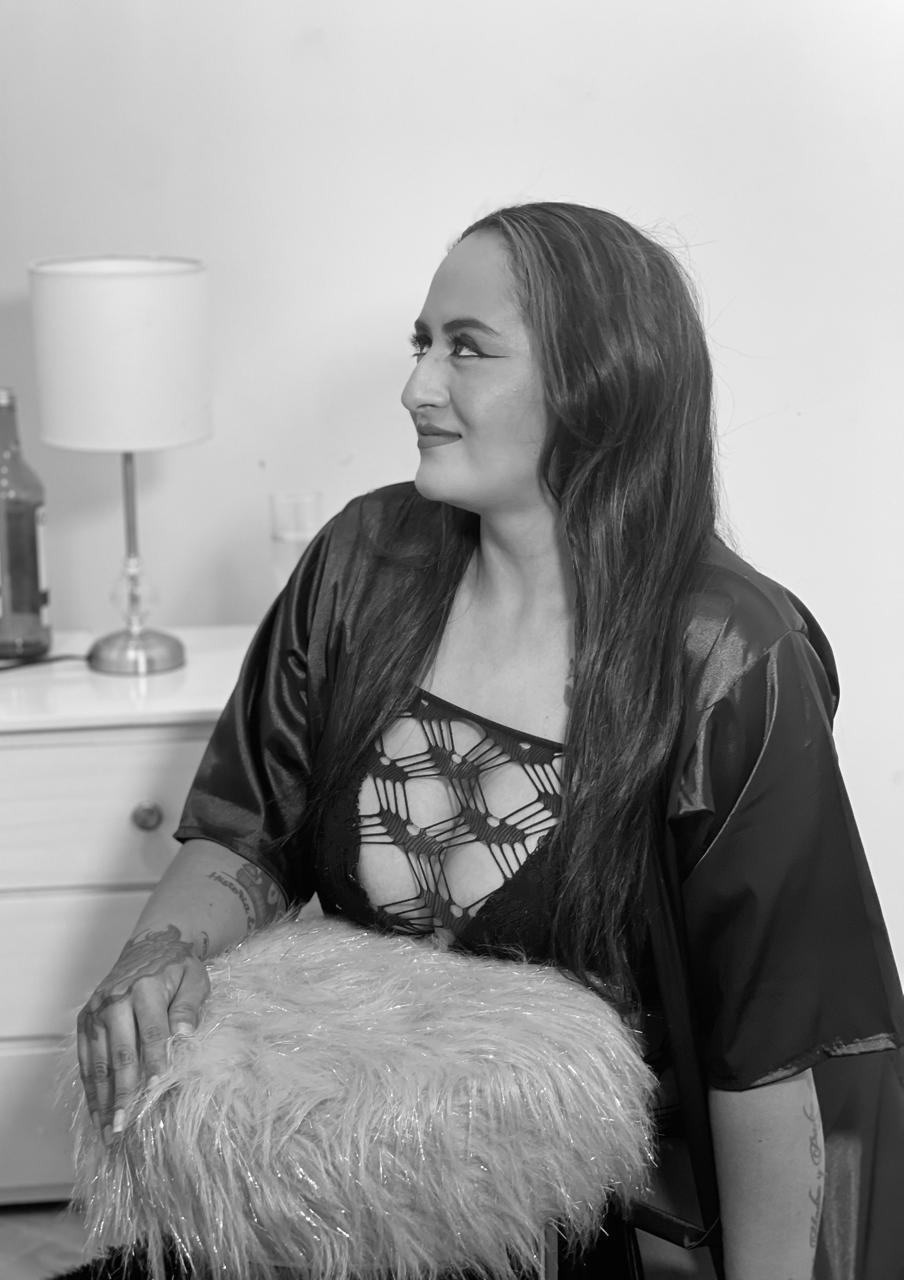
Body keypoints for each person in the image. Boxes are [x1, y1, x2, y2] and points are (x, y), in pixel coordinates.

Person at [61, 202, 904, 1280]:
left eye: (467, 348)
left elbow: (774, 1046)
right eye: (421, 343)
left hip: (572, 1231)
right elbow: (245, 830)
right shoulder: (362, 560)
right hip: (329, 1186)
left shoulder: (729, 654)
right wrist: (156, 959)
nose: (417, 386)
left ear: (599, 383)